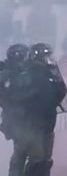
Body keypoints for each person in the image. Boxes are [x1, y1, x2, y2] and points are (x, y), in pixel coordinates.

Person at [7, 43, 67, 176]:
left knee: (34, 160)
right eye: (47, 55)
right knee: (37, 161)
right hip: (35, 127)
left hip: (37, 125)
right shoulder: (35, 75)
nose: (50, 58)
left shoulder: (42, 73)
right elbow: (51, 97)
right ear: (40, 57)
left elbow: (59, 94)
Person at [0, 44, 29, 176]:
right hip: (16, 117)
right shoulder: (9, 73)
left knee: (21, 151)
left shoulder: (16, 71)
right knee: (20, 152)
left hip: (19, 116)